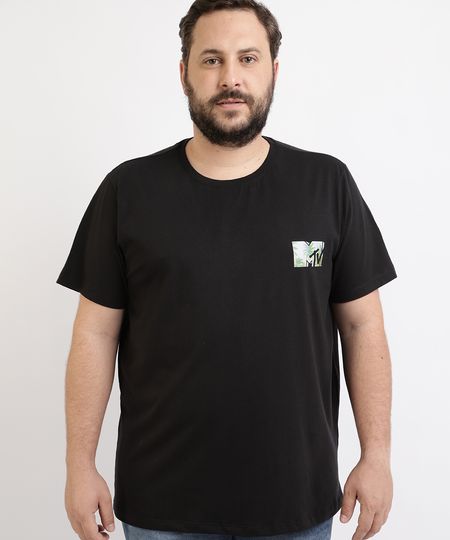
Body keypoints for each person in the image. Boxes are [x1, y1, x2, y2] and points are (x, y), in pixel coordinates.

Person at [56, 1, 397, 540]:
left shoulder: (326, 185)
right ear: (184, 72)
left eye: (248, 58)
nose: (230, 78)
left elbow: (362, 326)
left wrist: (376, 455)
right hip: (161, 506)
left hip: (296, 501)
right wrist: (79, 465)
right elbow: (95, 334)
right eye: (211, 59)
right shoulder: (129, 191)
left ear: (273, 71)